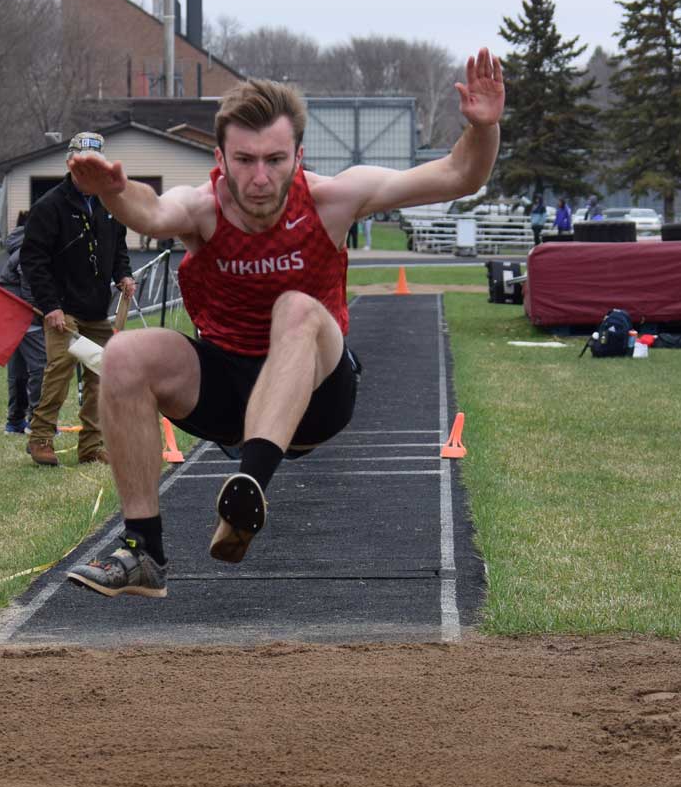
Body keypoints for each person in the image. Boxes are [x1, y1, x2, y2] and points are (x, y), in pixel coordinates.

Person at [64, 55, 503, 598]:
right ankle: (143, 551)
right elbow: (152, 212)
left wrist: (482, 127)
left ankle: (251, 486)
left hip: (318, 391)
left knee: (296, 307)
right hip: (227, 386)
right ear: (219, 157)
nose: (260, 178)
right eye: (244, 161)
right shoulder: (202, 209)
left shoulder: (332, 200)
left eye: (275, 160)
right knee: (125, 354)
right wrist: (112, 191)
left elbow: (459, 175)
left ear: (299, 155)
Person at [18, 133, 135, 467]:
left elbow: (119, 248)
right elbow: (33, 261)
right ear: (71, 166)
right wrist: (51, 305)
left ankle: (92, 446)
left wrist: (123, 276)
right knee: (60, 370)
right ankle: (40, 438)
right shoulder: (49, 207)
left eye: (95, 166)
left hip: (97, 309)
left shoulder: (110, 204)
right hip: (62, 309)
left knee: (102, 376)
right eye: (83, 166)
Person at [0, 212, 47, 435]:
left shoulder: (23, 242)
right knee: (41, 366)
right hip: (24, 311)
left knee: (18, 369)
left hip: (9, 309)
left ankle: (15, 421)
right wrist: (40, 313)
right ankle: (38, 421)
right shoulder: (31, 245)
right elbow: (30, 280)